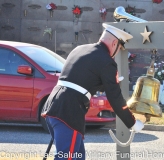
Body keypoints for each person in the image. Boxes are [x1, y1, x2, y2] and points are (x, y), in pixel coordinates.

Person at [41, 23, 144, 160]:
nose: (118, 52)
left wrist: (107, 81)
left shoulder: (80, 49)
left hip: (53, 107)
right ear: (114, 43)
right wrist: (131, 122)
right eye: (119, 48)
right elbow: (115, 98)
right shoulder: (107, 62)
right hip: (68, 113)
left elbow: (81, 79)